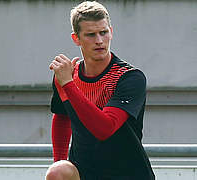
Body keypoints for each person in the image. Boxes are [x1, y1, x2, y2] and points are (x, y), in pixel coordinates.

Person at [46, 1, 155, 179]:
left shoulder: (129, 77)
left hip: (127, 174)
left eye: (103, 32)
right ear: (76, 39)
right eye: (90, 34)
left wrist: (68, 85)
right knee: (58, 172)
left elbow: (104, 129)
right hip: (84, 173)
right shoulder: (68, 75)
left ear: (111, 32)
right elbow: (61, 116)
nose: (99, 40)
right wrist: (60, 162)